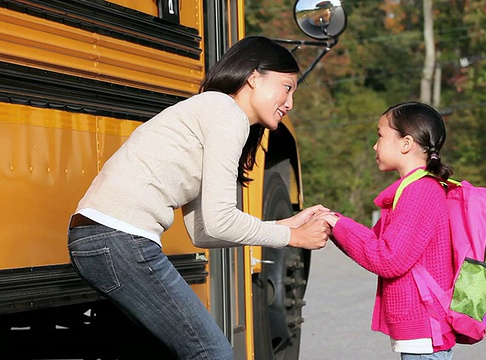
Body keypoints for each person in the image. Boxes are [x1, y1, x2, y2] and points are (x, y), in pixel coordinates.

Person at [67, 36, 331, 360]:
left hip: (102, 238)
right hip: (121, 238)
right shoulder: (226, 112)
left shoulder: (211, 111)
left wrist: (281, 225)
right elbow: (221, 221)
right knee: (211, 353)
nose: (290, 102)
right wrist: (291, 236)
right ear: (253, 77)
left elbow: (205, 230)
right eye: (287, 87)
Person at [320, 102, 456, 360]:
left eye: (380, 136)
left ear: (405, 144)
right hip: (421, 333)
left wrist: (337, 225)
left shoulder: (420, 192)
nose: (375, 145)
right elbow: (376, 242)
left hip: (425, 334)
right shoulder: (412, 189)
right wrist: (334, 222)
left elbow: (388, 258)